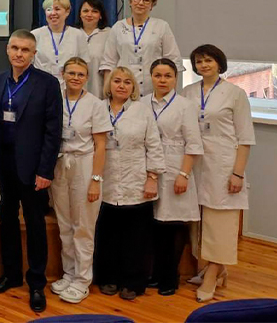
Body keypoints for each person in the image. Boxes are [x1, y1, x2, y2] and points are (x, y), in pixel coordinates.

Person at [0, 31, 62, 313]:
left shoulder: (47, 83)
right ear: (7, 50)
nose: (19, 54)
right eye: (15, 48)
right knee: (7, 221)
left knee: (35, 225)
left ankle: (37, 282)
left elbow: (53, 131)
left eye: (25, 50)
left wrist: (45, 170)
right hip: (3, 164)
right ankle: (11, 275)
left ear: (33, 54)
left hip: (33, 168)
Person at [181, 45, 255, 303]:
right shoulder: (188, 92)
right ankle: (214, 268)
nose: (203, 65)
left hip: (224, 165)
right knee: (198, 223)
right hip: (195, 163)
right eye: (199, 61)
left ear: (219, 63)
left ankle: (212, 275)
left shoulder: (235, 94)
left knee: (220, 222)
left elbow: (245, 138)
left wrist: (238, 174)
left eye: (208, 60)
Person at [94, 67, 165, 300]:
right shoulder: (98, 108)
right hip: (105, 181)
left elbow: (154, 145)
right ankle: (108, 278)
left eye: (127, 82)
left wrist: (152, 178)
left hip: (136, 181)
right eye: (117, 81)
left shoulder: (142, 111)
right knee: (107, 235)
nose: (122, 85)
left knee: (136, 238)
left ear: (133, 87)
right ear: (109, 85)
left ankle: (133, 283)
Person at [50, 57, 111, 304]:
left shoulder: (95, 104)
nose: (75, 78)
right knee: (64, 223)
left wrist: (96, 179)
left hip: (85, 164)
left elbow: (101, 145)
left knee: (83, 226)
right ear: (63, 74)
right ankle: (69, 273)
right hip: (60, 163)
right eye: (71, 73)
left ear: (86, 78)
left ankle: (83, 279)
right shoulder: (55, 100)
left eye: (80, 74)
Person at [141, 58, 203, 296]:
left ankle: (170, 277)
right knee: (154, 225)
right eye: (158, 75)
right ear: (151, 77)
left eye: (168, 76)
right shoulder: (142, 102)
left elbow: (193, 144)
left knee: (173, 225)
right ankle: (155, 273)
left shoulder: (185, 106)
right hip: (147, 168)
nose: (162, 80)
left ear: (176, 78)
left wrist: (183, 174)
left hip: (176, 167)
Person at [100, 0, 183, 96]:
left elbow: (173, 61)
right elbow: (109, 62)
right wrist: (108, 93)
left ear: (152, 5)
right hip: (123, 90)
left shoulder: (161, 26)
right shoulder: (118, 27)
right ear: (130, 2)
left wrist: (171, 94)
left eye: (146, 0)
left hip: (153, 91)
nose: (140, 3)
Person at [32, 0, 90, 85]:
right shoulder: (35, 35)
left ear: (67, 12)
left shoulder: (77, 35)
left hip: (69, 87)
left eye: (57, 9)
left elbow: (84, 66)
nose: (53, 13)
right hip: (41, 86)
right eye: (49, 9)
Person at [75, 0, 111, 98]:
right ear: (80, 14)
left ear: (101, 15)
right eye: (85, 11)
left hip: (98, 90)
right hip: (75, 90)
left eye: (94, 11)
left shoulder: (109, 34)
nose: (89, 15)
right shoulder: (72, 34)